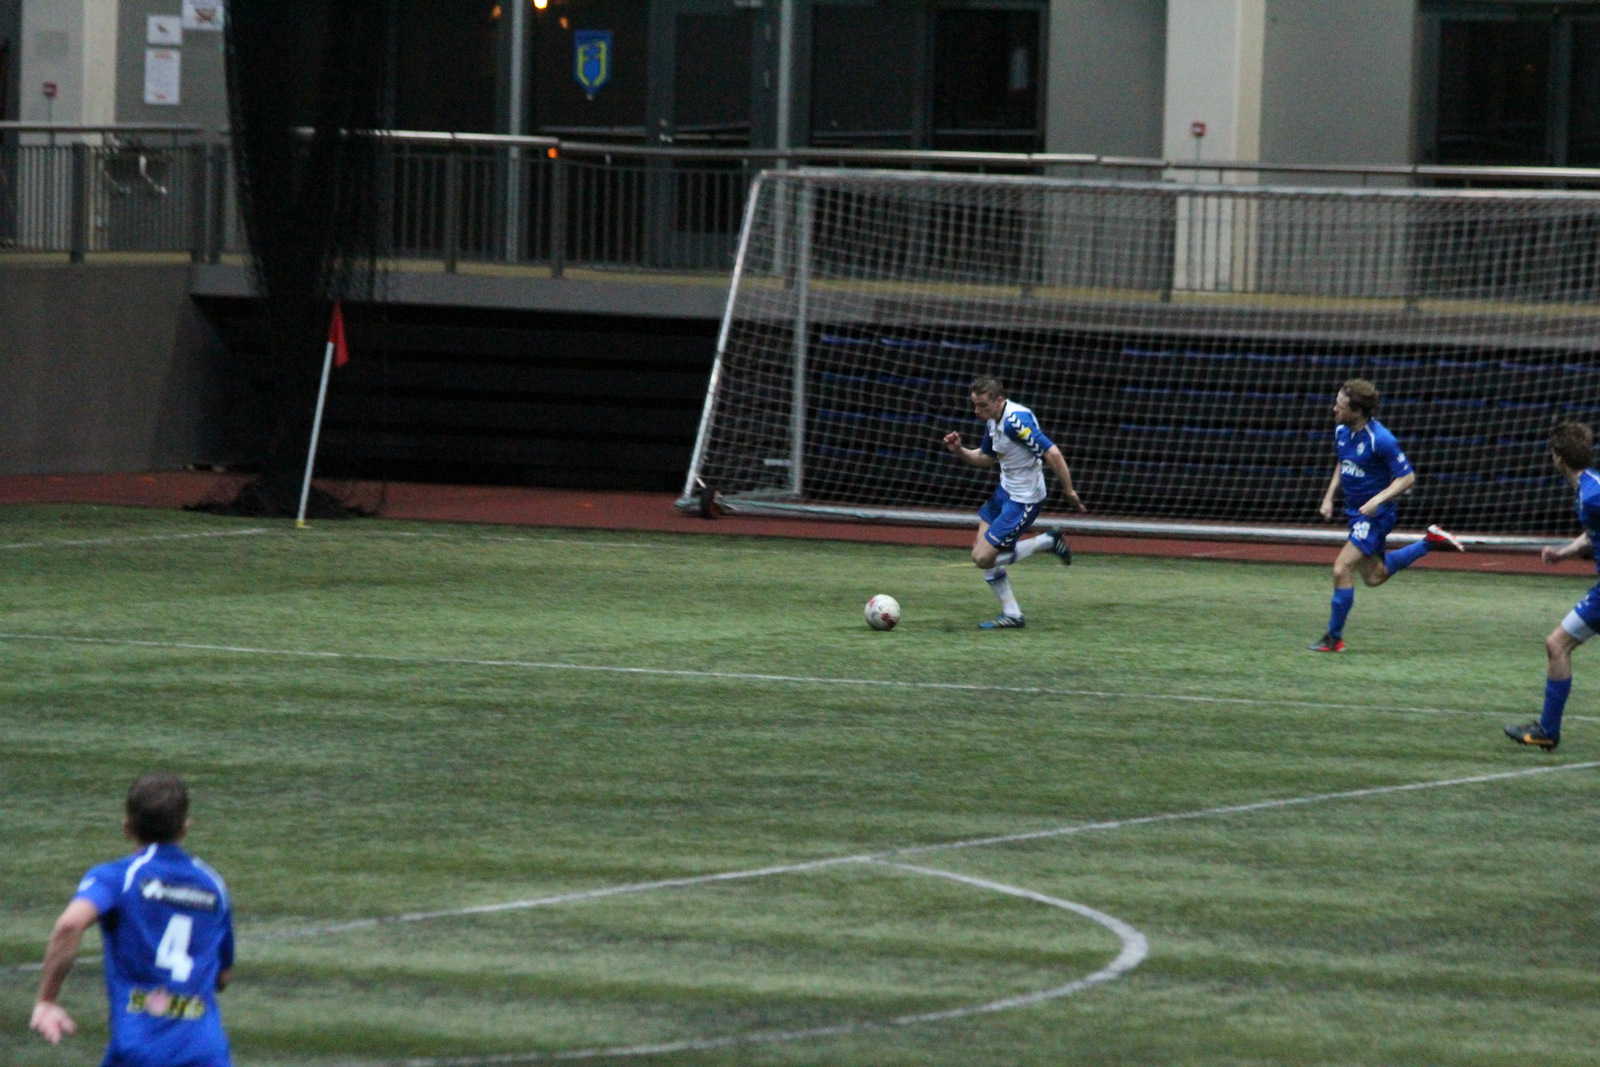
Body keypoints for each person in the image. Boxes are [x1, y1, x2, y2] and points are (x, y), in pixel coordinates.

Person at [31, 773, 235, 1067]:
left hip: (141, 1050)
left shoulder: (118, 878)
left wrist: (46, 1001)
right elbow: (223, 976)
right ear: (185, 828)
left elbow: (69, 925)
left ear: (127, 827)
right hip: (207, 1052)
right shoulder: (214, 885)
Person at [1309, 378, 1464, 652]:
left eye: (1340, 406)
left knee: (1341, 568)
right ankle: (1429, 542)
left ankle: (1333, 638)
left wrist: (1377, 500)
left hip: (1376, 515)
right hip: (1356, 513)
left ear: (1357, 411)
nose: (1334, 409)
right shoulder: (1342, 431)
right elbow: (1343, 461)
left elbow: (1407, 478)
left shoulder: (1381, 439)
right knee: (1374, 576)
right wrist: (1328, 496)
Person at [942, 375, 1086, 629]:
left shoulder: (1016, 422)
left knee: (982, 559)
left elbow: (1052, 453)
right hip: (1005, 492)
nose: (977, 411)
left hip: (1023, 501)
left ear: (999, 400)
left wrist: (1069, 490)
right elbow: (985, 458)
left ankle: (1047, 541)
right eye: (974, 405)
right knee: (982, 552)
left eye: (983, 405)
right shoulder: (994, 420)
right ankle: (1012, 614)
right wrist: (960, 451)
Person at [1505, 421, 1600, 751]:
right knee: (1556, 644)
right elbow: (1593, 534)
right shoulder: (1588, 489)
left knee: (1557, 644)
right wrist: (1562, 554)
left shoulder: (1593, 493)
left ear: (1558, 457)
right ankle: (1547, 729)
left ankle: (1548, 729)